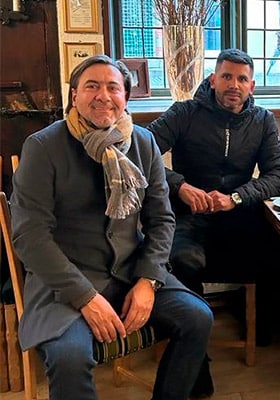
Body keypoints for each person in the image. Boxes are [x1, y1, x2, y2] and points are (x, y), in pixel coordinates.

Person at [10, 55, 214, 400]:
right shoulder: (43, 146)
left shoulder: (143, 142)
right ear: (74, 95)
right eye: (92, 86)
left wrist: (148, 280)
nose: (103, 95)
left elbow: (162, 219)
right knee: (69, 357)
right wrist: (85, 296)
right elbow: (30, 236)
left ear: (125, 97)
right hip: (65, 281)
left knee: (198, 318)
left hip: (131, 271)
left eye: (113, 88)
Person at [147, 49, 280, 346]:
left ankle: (251, 312)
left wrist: (236, 198)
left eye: (242, 79)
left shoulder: (263, 120)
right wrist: (180, 186)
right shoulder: (183, 113)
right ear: (213, 80)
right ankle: (193, 343)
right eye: (227, 76)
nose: (234, 85)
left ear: (252, 86)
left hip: (239, 215)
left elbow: (277, 176)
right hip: (189, 215)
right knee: (181, 262)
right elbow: (140, 154)